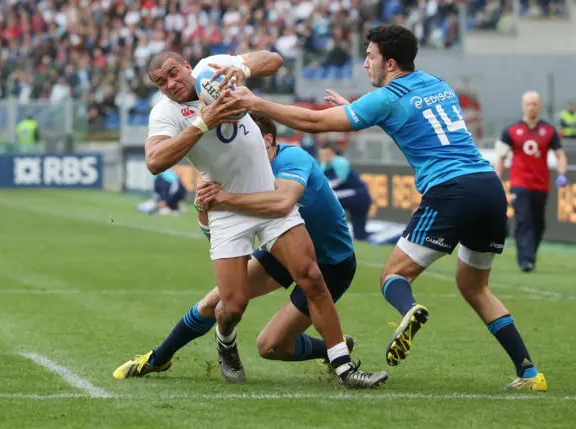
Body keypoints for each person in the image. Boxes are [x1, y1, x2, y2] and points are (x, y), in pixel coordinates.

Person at [229, 24, 547, 391]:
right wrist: (355, 110)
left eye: (370, 56)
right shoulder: (438, 84)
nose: (365, 63)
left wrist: (256, 103)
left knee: (393, 276)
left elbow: (314, 122)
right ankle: (529, 373)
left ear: (390, 62)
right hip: (489, 188)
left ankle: (408, 309)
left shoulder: (386, 97)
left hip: (450, 191)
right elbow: (414, 122)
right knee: (475, 287)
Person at [136, 50, 383, 388]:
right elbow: (154, 161)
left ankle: (345, 368)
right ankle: (226, 342)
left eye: (173, 74)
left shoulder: (213, 70)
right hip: (225, 209)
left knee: (311, 275)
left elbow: (274, 59)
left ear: (186, 66)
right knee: (232, 304)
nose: (170, 85)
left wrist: (240, 67)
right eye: (160, 82)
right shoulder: (164, 113)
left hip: (264, 193)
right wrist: (202, 122)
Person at [494, 91, 568, 273]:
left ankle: (531, 255)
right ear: (523, 106)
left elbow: (560, 154)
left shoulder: (549, 131)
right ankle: (525, 260)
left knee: (538, 222)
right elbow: (501, 156)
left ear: (539, 105)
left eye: (534, 103)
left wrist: (562, 173)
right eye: (528, 104)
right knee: (523, 219)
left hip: (540, 184)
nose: (531, 107)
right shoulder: (511, 131)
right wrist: (497, 179)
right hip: (520, 184)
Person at [317, 141, 372, 241]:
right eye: (321, 155)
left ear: (333, 153)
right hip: (357, 198)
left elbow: (337, 181)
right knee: (360, 235)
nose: (323, 157)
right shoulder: (324, 165)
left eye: (326, 154)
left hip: (359, 197)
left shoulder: (339, 161)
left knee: (325, 203)